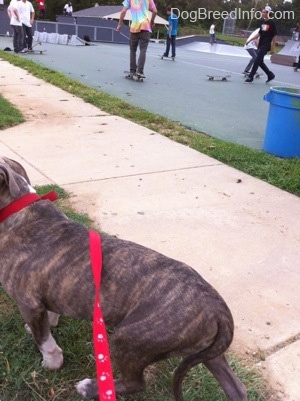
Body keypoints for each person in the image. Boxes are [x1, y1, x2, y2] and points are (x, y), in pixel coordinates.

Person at [116, 0, 157, 79]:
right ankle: (140, 72)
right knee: (143, 50)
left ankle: (132, 71)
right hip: (145, 26)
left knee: (132, 50)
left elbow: (123, 11)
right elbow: (155, 11)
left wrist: (119, 24)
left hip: (134, 27)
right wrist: (152, 21)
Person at [244, 6, 277, 83]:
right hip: (261, 45)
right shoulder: (262, 22)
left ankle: (250, 77)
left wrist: (273, 48)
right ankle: (270, 75)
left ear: (268, 13)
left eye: (264, 12)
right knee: (260, 62)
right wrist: (250, 40)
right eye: (262, 12)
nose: (262, 13)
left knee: (256, 60)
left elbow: (275, 35)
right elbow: (259, 34)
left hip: (266, 45)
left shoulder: (272, 23)